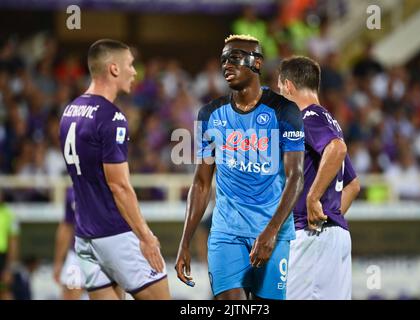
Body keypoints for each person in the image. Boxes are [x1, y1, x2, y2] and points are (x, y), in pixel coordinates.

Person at [175, 34, 305, 300]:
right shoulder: (210, 114)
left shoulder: (284, 111)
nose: (226, 65)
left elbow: (296, 177)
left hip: (272, 232)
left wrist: (271, 232)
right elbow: (201, 183)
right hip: (226, 233)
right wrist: (184, 241)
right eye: (224, 59)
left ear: (257, 63)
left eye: (235, 58)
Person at [59, 39, 170, 300]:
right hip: (114, 233)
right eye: (130, 65)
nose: (134, 71)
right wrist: (146, 236)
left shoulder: (69, 111)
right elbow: (119, 186)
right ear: (114, 69)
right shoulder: (111, 117)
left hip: (85, 238)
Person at [278, 56, 360, 300]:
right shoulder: (329, 120)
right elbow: (353, 185)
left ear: (289, 86)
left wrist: (313, 199)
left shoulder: (308, 118)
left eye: (279, 87)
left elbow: (337, 149)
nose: (279, 93)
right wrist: (330, 217)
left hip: (310, 239)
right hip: (333, 237)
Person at [53, 187, 86, 300]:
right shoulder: (72, 192)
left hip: (102, 253)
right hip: (77, 254)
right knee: (69, 293)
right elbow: (67, 226)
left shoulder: (106, 186)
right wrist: (58, 262)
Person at [0, 191, 19, 300]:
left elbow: (13, 241)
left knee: (5, 290)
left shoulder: (9, 214)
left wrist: (9, 267)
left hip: (2, 257)